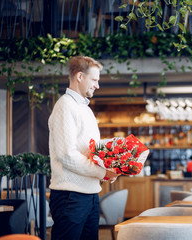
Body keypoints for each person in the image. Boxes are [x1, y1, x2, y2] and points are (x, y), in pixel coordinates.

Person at [48, 56, 120, 240]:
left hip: (90, 194)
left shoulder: (85, 108)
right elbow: (67, 155)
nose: (97, 85)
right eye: (94, 80)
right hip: (70, 196)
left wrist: (118, 150)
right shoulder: (65, 106)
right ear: (80, 76)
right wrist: (102, 172)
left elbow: (91, 148)